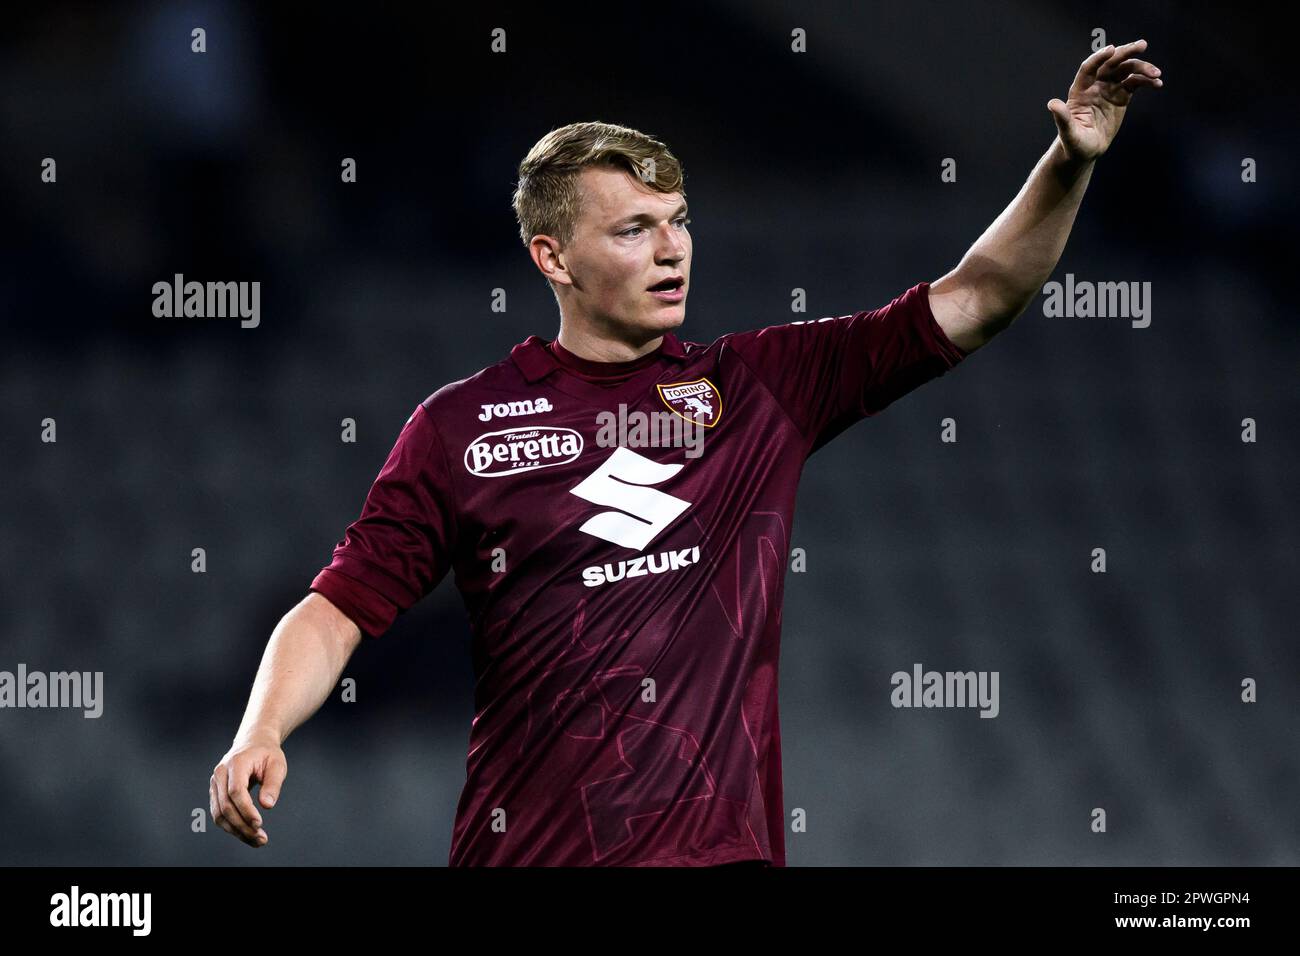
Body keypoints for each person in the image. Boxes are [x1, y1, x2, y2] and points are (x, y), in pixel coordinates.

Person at [209, 40, 1162, 865]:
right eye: (634, 230)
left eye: (680, 222)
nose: (673, 251)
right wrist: (262, 729)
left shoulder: (758, 389)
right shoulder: (461, 428)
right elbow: (336, 612)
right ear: (553, 259)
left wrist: (1067, 164)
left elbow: (976, 299)